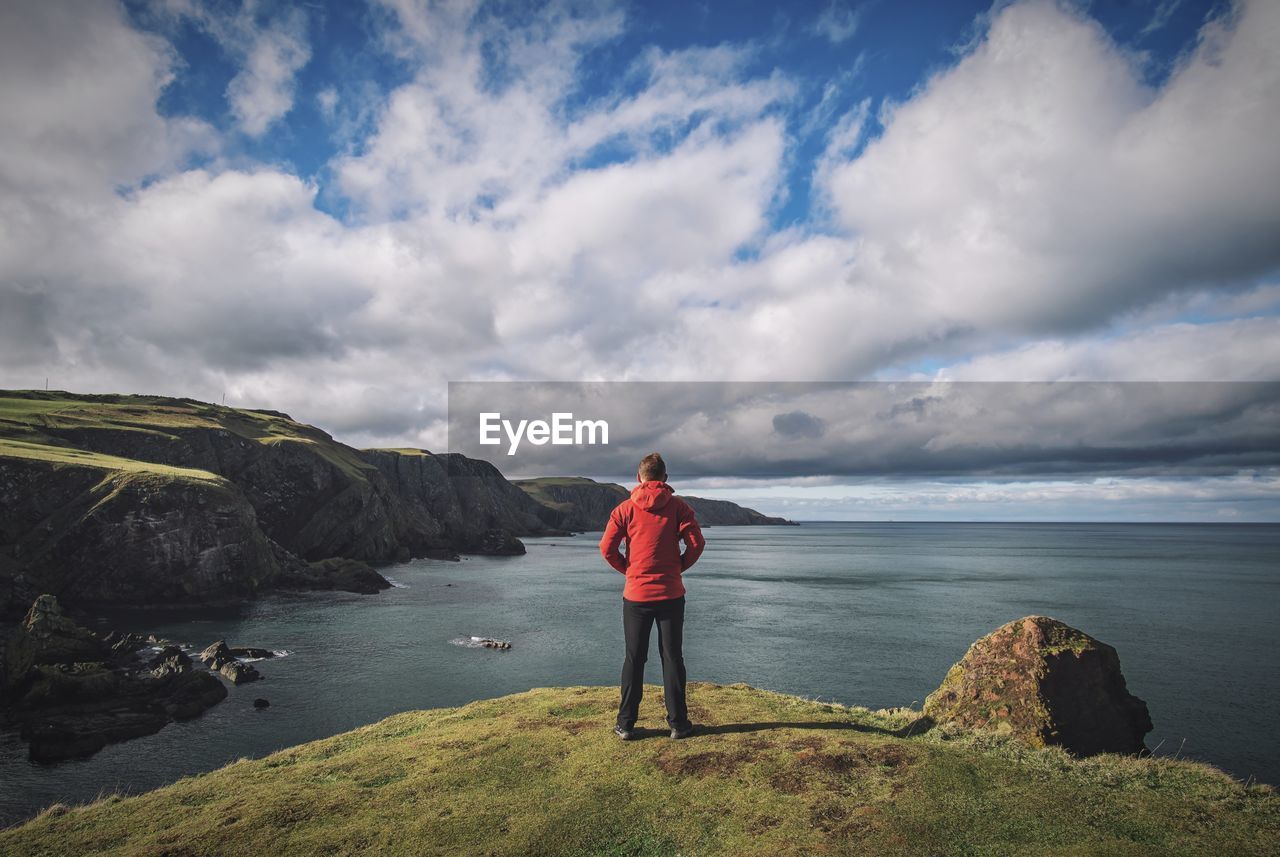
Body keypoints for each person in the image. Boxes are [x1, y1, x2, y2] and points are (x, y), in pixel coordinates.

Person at [600, 452, 705, 740]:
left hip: (636, 596)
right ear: (665, 479)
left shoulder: (624, 509)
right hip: (671, 594)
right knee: (672, 657)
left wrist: (630, 571)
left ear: (639, 478)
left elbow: (607, 548)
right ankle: (679, 724)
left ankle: (625, 723)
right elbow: (696, 543)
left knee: (634, 658)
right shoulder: (679, 507)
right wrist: (678, 567)